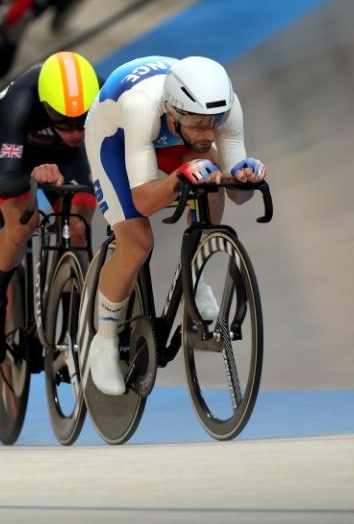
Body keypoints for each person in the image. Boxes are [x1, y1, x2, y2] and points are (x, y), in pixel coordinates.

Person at [84, 55, 266, 395]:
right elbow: (143, 201)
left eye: (216, 122)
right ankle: (104, 340)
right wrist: (175, 181)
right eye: (199, 125)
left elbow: (239, 195)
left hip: (167, 137)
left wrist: (243, 174)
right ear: (172, 114)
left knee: (209, 173)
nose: (209, 132)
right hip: (116, 135)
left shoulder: (226, 106)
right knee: (136, 242)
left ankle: (192, 277)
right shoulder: (142, 108)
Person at [0, 51, 100, 364]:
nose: (76, 133)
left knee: (79, 227)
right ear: (46, 106)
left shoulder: (98, 92)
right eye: (65, 123)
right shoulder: (21, 99)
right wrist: (32, 174)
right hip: (15, 153)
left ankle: (72, 329)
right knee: (21, 224)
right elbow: (4, 182)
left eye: (83, 124)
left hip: (64, 157)